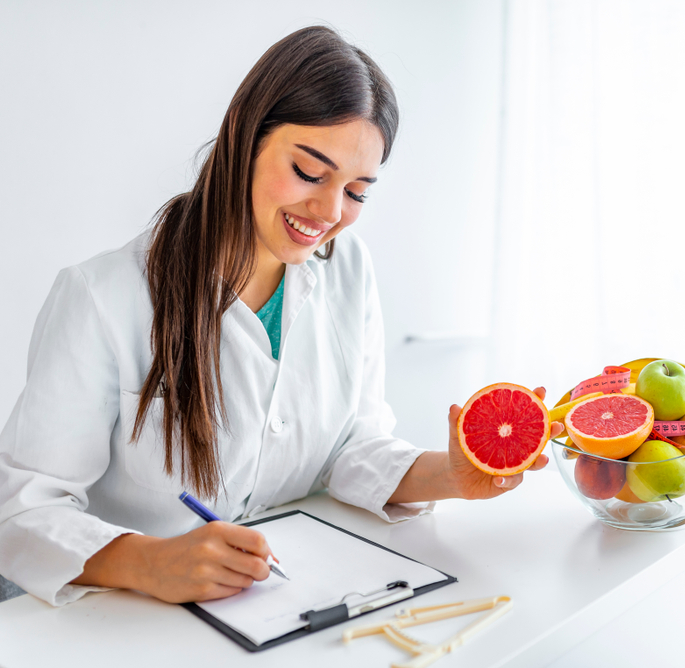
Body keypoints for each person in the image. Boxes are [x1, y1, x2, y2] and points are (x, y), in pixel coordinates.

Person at [0, 26, 557, 607]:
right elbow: (24, 509)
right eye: (310, 172)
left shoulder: (347, 270)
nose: (330, 211)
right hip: (127, 619)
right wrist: (151, 561)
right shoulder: (102, 297)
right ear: (245, 134)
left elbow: (350, 445)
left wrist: (451, 475)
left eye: (358, 191)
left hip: (278, 609)